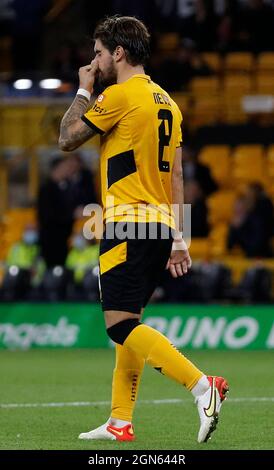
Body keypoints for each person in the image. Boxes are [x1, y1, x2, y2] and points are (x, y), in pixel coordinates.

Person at [59, 15, 228, 444]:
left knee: (119, 327)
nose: (94, 61)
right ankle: (120, 421)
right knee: (130, 325)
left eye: (98, 53)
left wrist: (83, 89)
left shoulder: (119, 95)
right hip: (157, 227)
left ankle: (202, 386)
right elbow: (176, 177)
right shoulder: (168, 102)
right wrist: (178, 237)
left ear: (118, 52)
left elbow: (67, 138)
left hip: (126, 222)